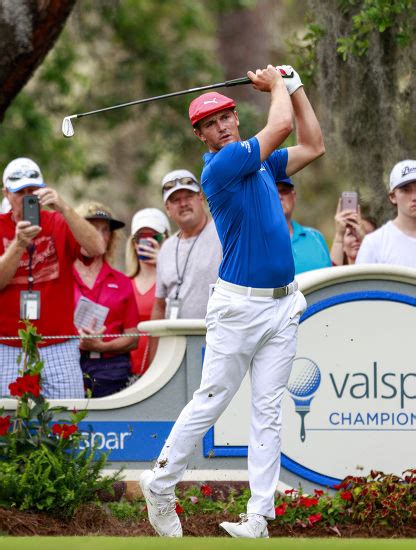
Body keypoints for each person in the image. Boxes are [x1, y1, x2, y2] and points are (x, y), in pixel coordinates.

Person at [140, 64, 325, 538]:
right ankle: (160, 484)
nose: (221, 126)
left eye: (226, 117)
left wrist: (296, 87)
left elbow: (313, 145)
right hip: (238, 307)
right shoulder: (222, 166)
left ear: (235, 119)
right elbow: (280, 125)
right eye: (210, 123)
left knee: (266, 412)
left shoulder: (261, 161)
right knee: (211, 400)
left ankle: (259, 517)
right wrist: (278, 86)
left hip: (283, 305)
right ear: (201, 137)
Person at [0, 157, 105, 399]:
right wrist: (18, 245)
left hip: (58, 342)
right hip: (7, 343)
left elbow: (97, 247)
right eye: (20, 192)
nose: (29, 197)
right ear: (7, 194)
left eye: (33, 191)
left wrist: (65, 208)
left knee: (68, 416)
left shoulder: (58, 221)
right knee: (8, 422)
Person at [148, 169, 222, 362]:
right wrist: (153, 358)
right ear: (167, 209)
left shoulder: (224, 233)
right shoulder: (166, 248)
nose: (183, 203)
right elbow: (159, 304)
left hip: (218, 343)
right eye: (175, 200)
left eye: (188, 196)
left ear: (201, 198)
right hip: (176, 350)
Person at [73, 202, 140, 398]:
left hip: (112, 370)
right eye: (91, 228)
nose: (99, 235)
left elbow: (133, 337)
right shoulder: (60, 279)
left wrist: (102, 346)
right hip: (68, 364)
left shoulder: (122, 282)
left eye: (105, 230)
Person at [126, 208, 170, 377]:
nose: (147, 243)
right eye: (141, 238)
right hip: (126, 370)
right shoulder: (123, 283)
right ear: (133, 243)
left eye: (154, 237)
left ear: (166, 240)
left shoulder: (173, 282)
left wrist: (164, 263)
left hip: (163, 366)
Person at [356, 160, 416, 267]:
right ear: (393, 197)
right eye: (406, 190)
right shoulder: (375, 243)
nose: (414, 197)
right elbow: (361, 284)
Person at [276, 176, 331, 273]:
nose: (279, 196)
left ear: (294, 196)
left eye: (284, 191)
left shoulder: (316, 236)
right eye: (273, 192)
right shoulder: (255, 241)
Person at [330, 200, 376, 265]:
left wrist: (364, 239)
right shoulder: (340, 274)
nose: (357, 238)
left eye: (366, 233)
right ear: (343, 245)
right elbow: (332, 272)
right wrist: (339, 236)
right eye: (350, 234)